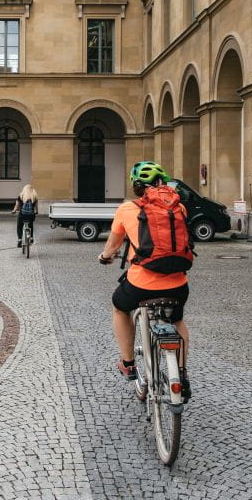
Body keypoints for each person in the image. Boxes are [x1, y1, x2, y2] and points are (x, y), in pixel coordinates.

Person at [98, 161, 191, 400]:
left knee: (119, 307)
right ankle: (181, 374)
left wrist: (105, 257)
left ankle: (128, 363)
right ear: (161, 183)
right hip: (178, 283)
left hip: (141, 284)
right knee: (178, 318)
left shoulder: (128, 209)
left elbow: (114, 244)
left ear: (137, 187)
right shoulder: (179, 208)